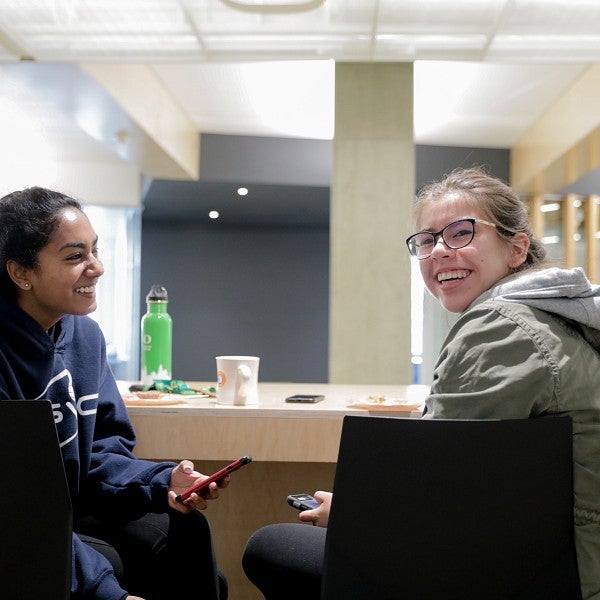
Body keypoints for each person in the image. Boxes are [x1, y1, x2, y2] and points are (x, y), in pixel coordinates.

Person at [242, 167, 600, 600]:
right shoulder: (561, 316)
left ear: (517, 248)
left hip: (543, 568)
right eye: (427, 240)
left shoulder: (500, 327)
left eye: (461, 233)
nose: (440, 252)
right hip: (557, 549)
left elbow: (436, 494)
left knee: (270, 546)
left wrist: (353, 514)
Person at [0, 187, 228, 600]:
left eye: (95, 251)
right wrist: (109, 592)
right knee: (115, 569)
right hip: (16, 523)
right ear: (21, 273)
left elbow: (103, 449)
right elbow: (17, 508)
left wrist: (163, 480)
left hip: (71, 510)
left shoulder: (85, 337)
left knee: (186, 529)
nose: (97, 268)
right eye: (75, 257)